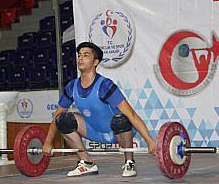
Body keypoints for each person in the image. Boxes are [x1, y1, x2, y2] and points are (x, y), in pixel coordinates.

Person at [43, 42, 156, 177]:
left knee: (121, 119)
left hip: (117, 131)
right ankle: (87, 162)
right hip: (92, 130)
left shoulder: (105, 85)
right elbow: (57, 115)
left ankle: (129, 161)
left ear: (95, 62)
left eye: (86, 55)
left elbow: (131, 114)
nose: (80, 58)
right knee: (62, 120)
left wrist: (150, 141)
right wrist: (48, 142)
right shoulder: (72, 87)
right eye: (79, 55)